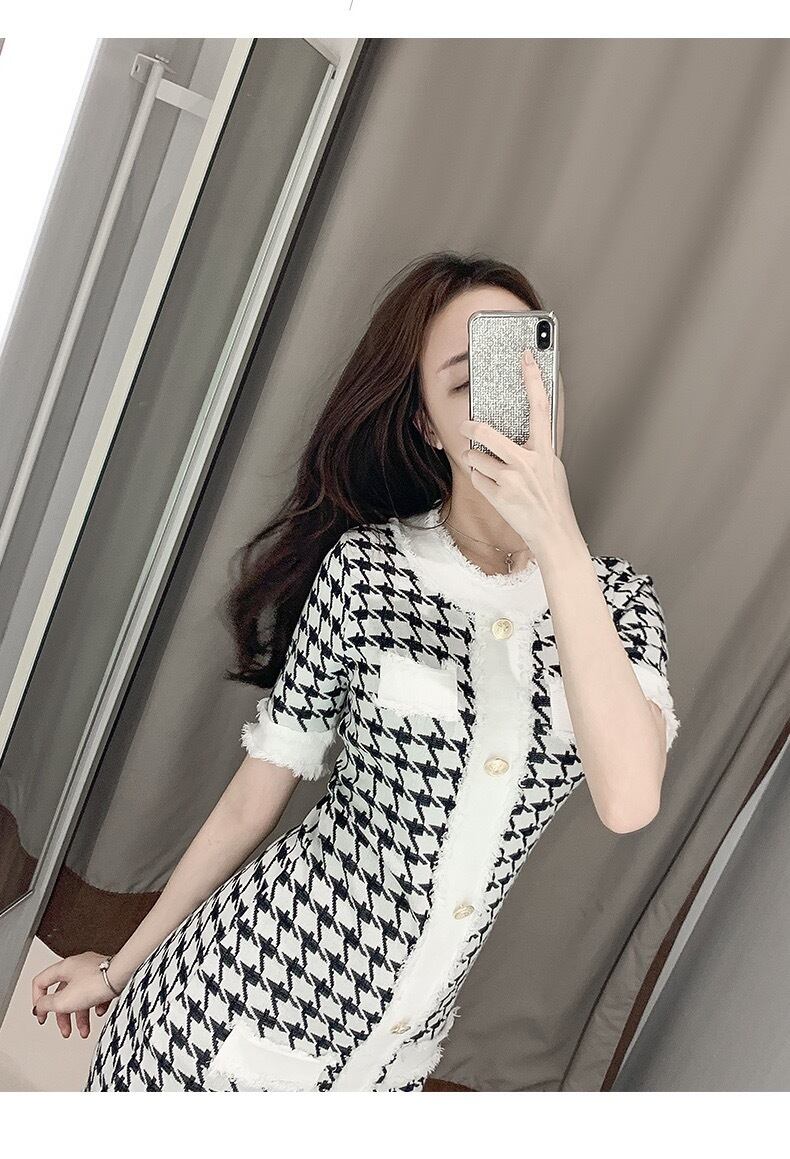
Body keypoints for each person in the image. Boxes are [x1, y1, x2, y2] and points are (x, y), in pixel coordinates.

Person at [32, 252, 679, 1092]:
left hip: (387, 1060)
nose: (511, 401)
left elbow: (629, 798)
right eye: (468, 382)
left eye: (528, 364)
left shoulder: (618, 602)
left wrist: (555, 536)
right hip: (230, 1004)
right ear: (426, 424)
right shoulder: (367, 570)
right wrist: (119, 969)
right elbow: (250, 802)